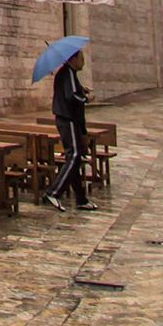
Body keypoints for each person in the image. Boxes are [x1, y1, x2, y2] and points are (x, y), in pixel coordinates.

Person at [43, 49, 95, 212]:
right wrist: (86, 98)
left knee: (76, 159)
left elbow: (72, 90)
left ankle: (81, 199)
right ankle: (53, 192)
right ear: (73, 59)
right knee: (73, 155)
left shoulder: (67, 74)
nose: (83, 62)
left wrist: (81, 89)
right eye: (81, 58)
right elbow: (71, 97)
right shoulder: (68, 73)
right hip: (68, 119)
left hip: (68, 119)